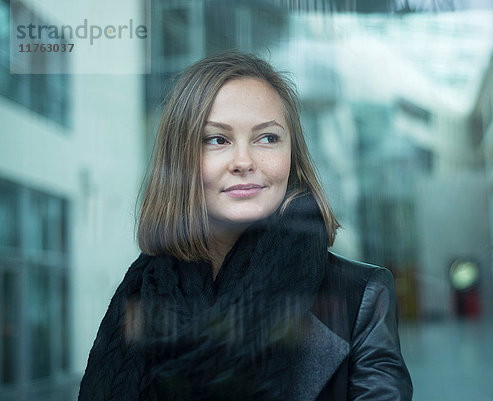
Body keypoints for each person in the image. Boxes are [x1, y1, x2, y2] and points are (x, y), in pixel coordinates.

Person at [78, 52, 413, 401]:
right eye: (217, 140)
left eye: (267, 138)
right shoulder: (140, 295)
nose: (243, 161)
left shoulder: (360, 297)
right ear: (180, 161)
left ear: (292, 157)